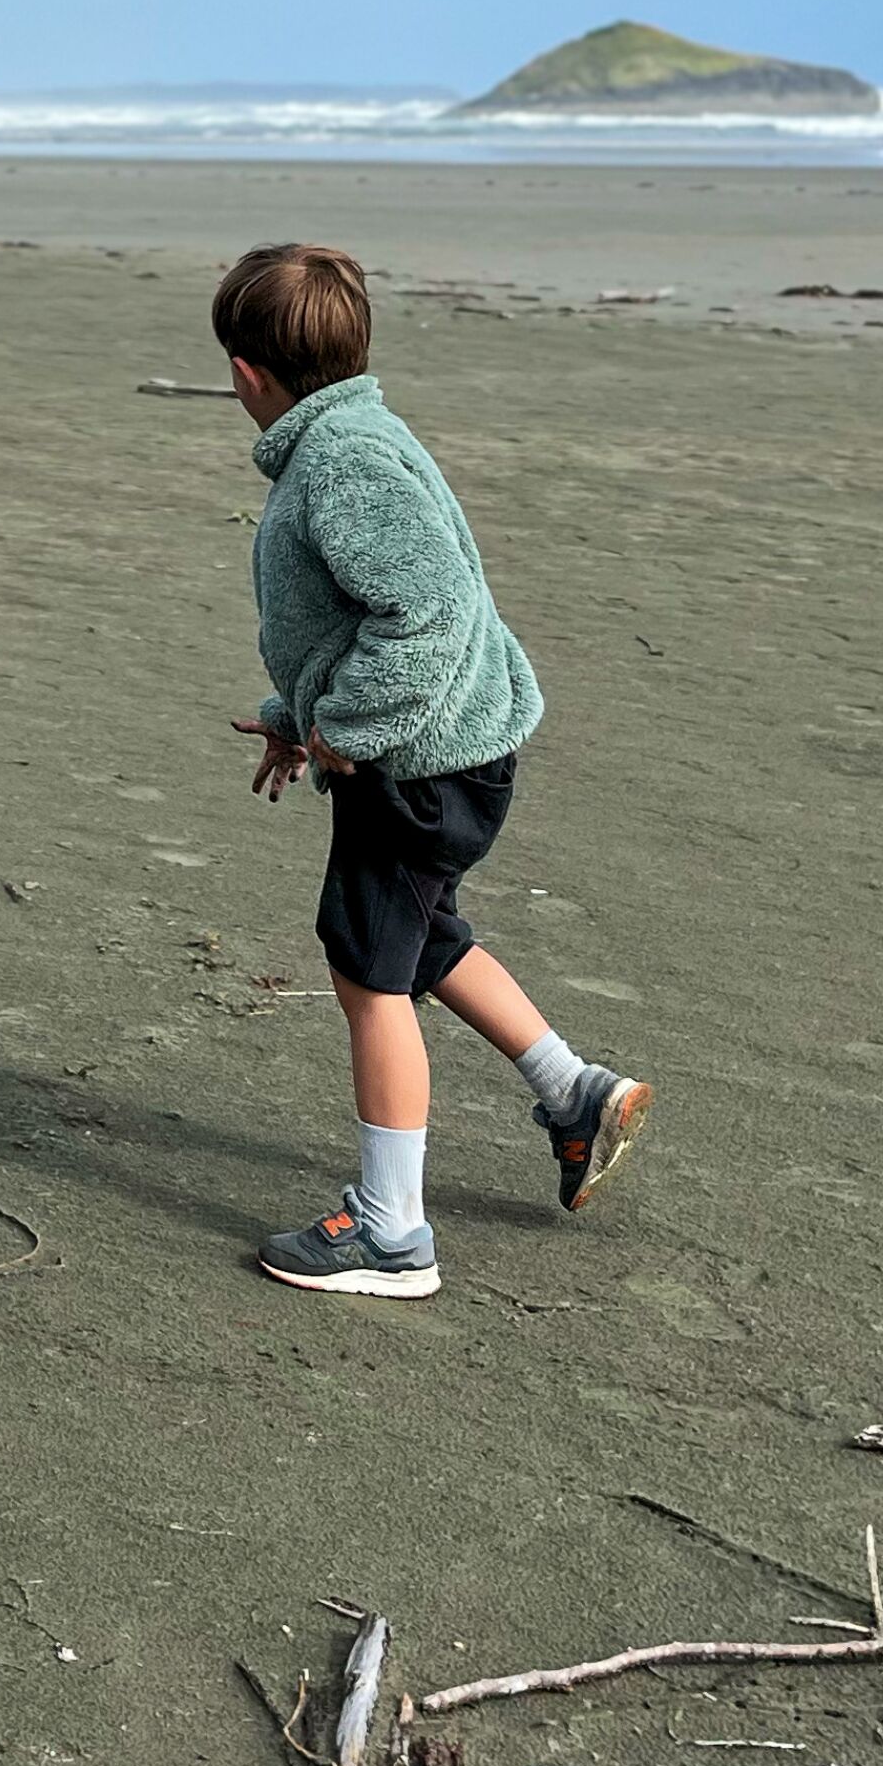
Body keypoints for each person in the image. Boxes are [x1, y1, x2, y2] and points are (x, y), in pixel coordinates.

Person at [213, 241, 650, 1297]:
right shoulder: (355, 434)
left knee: (367, 969)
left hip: (417, 765)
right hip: (442, 749)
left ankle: (392, 1229)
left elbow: (427, 613)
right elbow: (364, 622)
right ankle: (573, 1091)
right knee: (421, 937)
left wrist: (348, 732)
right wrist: (300, 715)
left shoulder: (343, 461)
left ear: (245, 372)